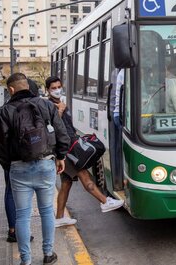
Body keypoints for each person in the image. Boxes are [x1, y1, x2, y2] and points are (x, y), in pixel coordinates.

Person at [0, 73, 69, 265]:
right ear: (27, 85)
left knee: (22, 215)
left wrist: (8, 165)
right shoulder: (45, 105)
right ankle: (48, 253)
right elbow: (61, 133)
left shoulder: (5, 111)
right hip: (45, 163)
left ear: (11, 90)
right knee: (46, 210)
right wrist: (60, 157)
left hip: (18, 168)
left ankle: (25, 260)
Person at [45, 76, 124, 228]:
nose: (57, 90)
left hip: (68, 146)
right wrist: (60, 112)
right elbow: (51, 127)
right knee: (84, 175)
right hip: (66, 149)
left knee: (66, 183)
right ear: (47, 90)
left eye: (59, 87)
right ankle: (105, 201)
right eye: (53, 88)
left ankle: (60, 217)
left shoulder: (59, 103)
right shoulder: (50, 105)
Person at [0, 79, 40, 244]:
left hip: (11, 160)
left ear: (12, 90)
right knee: (36, 201)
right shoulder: (39, 108)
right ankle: (44, 248)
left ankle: (13, 230)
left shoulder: (4, 110)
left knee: (11, 192)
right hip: (35, 159)